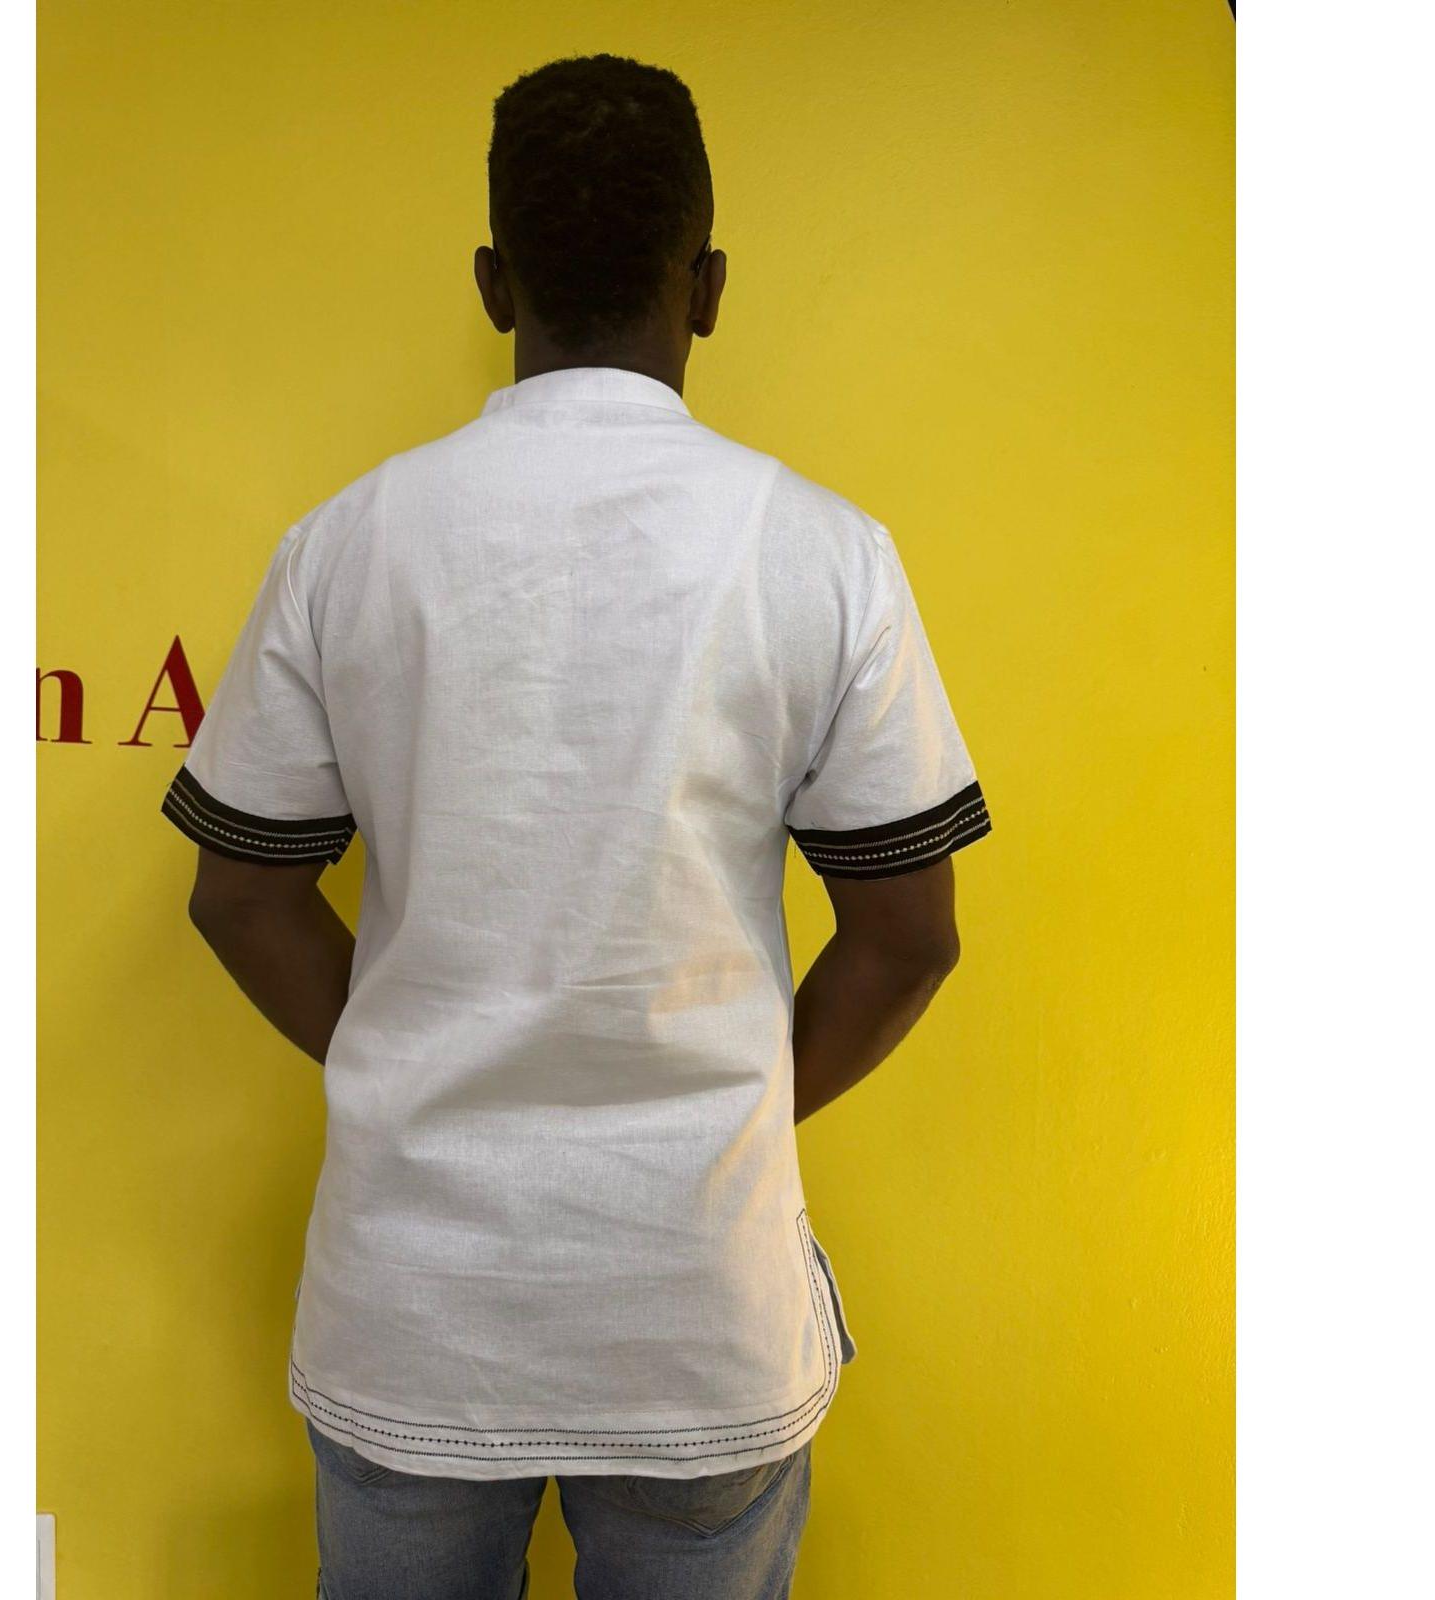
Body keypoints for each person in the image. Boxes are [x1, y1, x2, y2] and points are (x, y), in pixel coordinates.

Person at [161, 51, 992, 1600]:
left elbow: (240, 895)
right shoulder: (827, 556)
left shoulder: (346, 544)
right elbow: (909, 936)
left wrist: (414, 1058)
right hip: (699, 1315)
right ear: (711, 288)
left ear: (494, 282)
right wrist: (732, 1112)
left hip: (415, 1313)